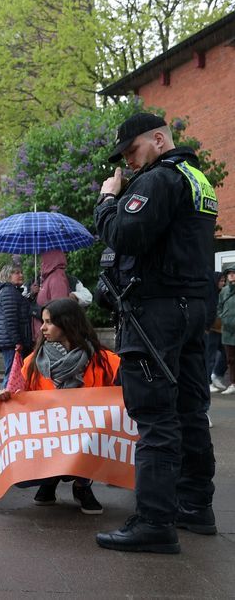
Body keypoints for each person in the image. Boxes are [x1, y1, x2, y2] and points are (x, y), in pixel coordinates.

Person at [94, 112, 217, 554]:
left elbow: (124, 235)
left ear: (159, 140)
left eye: (132, 150)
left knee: (155, 417)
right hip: (191, 308)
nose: (128, 163)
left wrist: (108, 200)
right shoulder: (197, 179)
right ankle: (194, 505)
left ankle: (154, 522)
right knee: (188, 410)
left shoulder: (158, 180)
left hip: (158, 313)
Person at [0, 298, 119, 514]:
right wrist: (7, 397)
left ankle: (82, 485)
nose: (42, 328)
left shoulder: (105, 361)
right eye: (43, 322)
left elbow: (118, 405)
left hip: (87, 439)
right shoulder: (32, 362)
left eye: (49, 322)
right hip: (48, 440)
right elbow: (20, 395)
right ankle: (49, 479)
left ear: (68, 323)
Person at [0, 264, 33, 384]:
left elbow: (20, 309)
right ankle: (5, 400)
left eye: (21, 272)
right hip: (10, 342)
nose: (21, 275)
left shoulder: (11, 291)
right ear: (7, 276)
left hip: (8, 340)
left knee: (13, 372)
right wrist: (17, 341)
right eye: (16, 273)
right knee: (12, 374)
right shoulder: (8, 291)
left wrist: (31, 295)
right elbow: (11, 319)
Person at [216, 268, 235, 394]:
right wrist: (223, 317)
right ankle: (233, 384)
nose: (231, 276)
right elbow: (219, 307)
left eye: (234, 273)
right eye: (229, 274)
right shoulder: (224, 291)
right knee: (231, 359)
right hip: (228, 331)